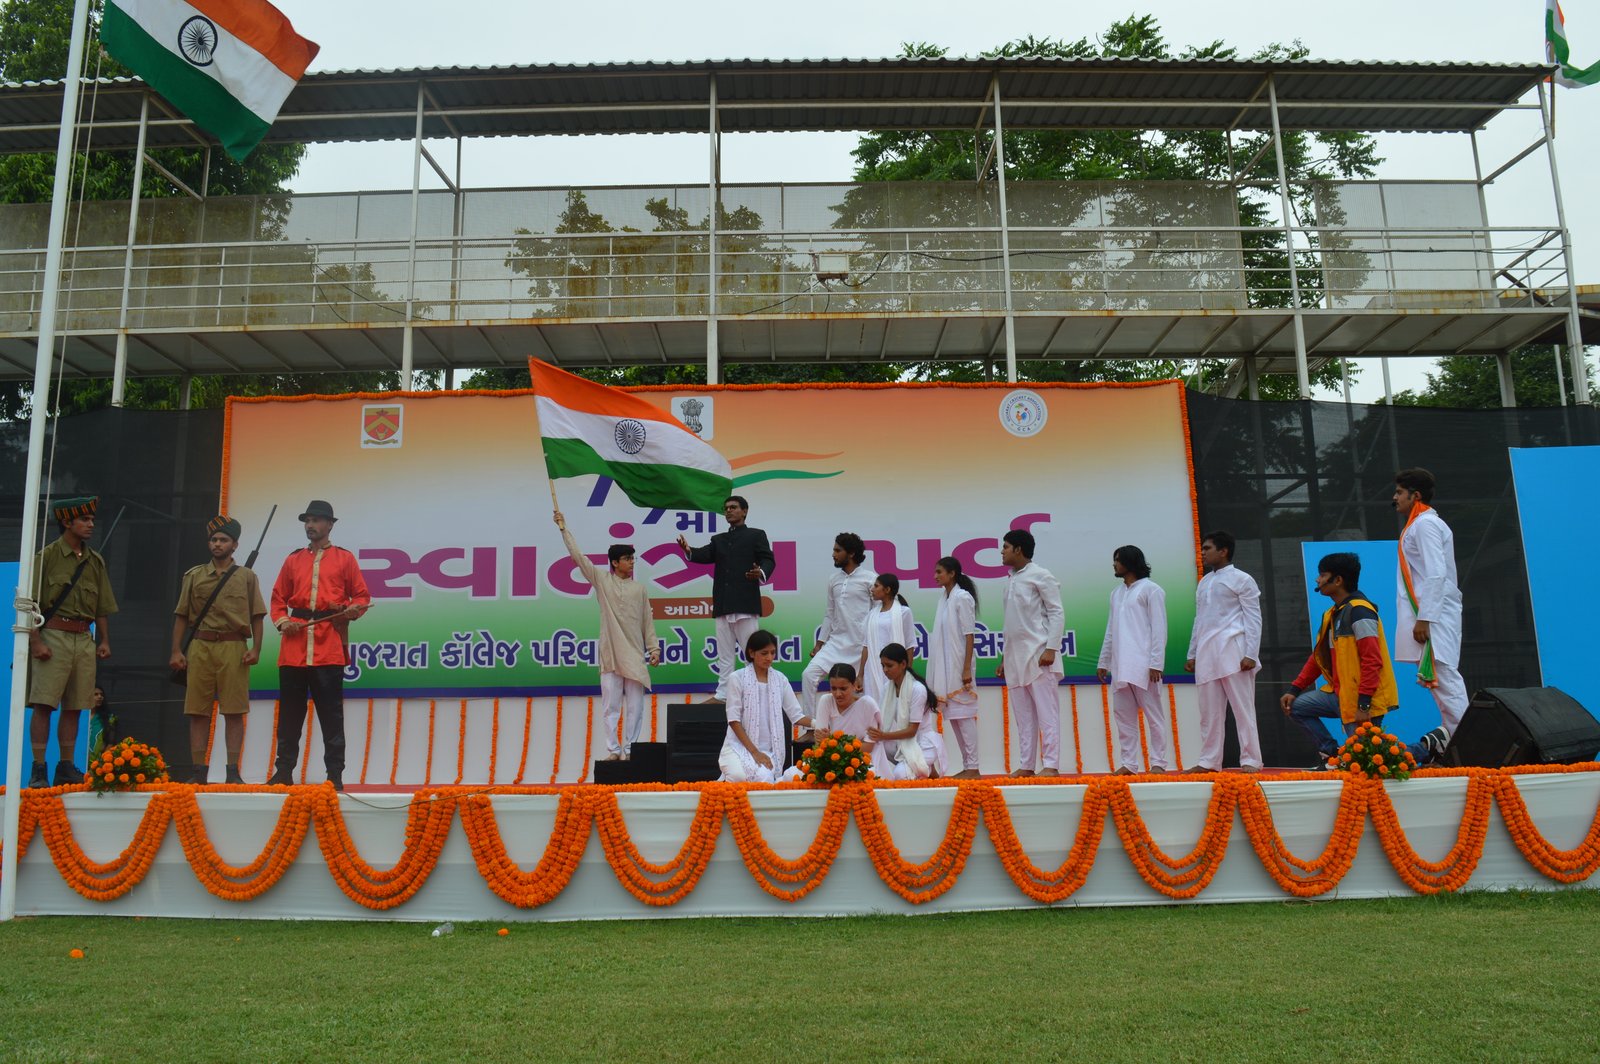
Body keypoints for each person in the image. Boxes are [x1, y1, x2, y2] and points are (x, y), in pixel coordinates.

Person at [269, 500, 370, 790]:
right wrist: (283, 622)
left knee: (331, 715)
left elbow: (362, 597)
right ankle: (283, 771)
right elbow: (278, 600)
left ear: (330, 525)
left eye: (316, 520)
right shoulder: (293, 560)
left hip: (329, 647)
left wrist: (352, 609)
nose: (310, 525)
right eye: (307, 520)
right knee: (290, 714)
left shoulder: (344, 558)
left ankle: (334, 775)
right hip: (294, 647)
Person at [169, 515, 268, 785]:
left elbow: (257, 616)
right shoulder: (194, 576)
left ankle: (232, 772)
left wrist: (257, 649)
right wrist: (176, 650)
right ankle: (198, 771)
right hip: (200, 646)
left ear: (234, 545)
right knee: (197, 711)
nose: (217, 544)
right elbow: (181, 615)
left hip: (233, 646)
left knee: (234, 711)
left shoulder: (247, 577)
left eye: (223, 540)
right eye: (213, 539)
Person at [26, 495, 117, 787]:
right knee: (44, 704)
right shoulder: (48, 556)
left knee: (76, 705)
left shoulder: (95, 560)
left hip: (83, 636)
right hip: (53, 634)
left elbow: (101, 606)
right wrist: (36, 642)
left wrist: (104, 640)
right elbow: (29, 604)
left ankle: (65, 765)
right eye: (84, 520)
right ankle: (39, 767)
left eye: (92, 520)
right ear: (67, 522)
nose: (91, 525)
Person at [556, 510, 661, 761]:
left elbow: (647, 622)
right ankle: (613, 750)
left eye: (633, 558)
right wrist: (563, 529)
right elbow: (578, 557)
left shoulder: (639, 589)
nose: (632, 562)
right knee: (610, 707)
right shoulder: (602, 581)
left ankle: (631, 750)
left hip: (634, 655)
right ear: (614, 563)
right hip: (611, 654)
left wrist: (654, 649)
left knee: (635, 707)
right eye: (627, 559)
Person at [1280, 552, 1401, 768]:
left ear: (1337, 580)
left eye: (1322, 575)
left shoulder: (1360, 611)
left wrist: (1363, 704)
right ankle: (1332, 755)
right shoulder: (1333, 613)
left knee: (1366, 765)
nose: (1317, 580)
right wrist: (1294, 689)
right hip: (1340, 696)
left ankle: (1425, 749)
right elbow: (1319, 658)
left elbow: (1372, 661)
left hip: (1362, 701)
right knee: (1297, 707)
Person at [1393, 468, 1466, 764]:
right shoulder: (1418, 524)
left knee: (1445, 679)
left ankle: (1473, 747)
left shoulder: (1425, 524)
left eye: (1399, 492)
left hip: (1434, 616)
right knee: (1440, 685)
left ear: (1416, 496)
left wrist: (1425, 618)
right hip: (1431, 612)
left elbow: (1436, 574)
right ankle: (1459, 747)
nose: (1395, 498)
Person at [678, 495, 775, 702]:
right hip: (723, 604)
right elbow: (705, 554)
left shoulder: (756, 535)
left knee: (753, 653)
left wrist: (761, 572)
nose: (729, 511)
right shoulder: (719, 540)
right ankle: (723, 694)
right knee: (725, 656)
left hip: (745, 603)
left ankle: (755, 691)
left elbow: (768, 559)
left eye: (733, 507)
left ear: (744, 511)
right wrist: (689, 550)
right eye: (726, 508)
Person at [1183, 531, 1263, 773]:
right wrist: (1192, 653)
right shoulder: (1204, 582)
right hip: (1207, 653)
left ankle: (1251, 760)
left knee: (1243, 709)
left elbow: (1253, 618)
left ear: (1223, 551)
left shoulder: (1242, 579)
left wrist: (1251, 653)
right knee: (1209, 713)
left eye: (1207, 548)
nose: (1203, 552)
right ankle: (1209, 762)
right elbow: (1199, 620)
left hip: (1234, 652)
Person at [1098, 545, 1174, 775]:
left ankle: (1158, 763)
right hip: (1120, 665)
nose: (1114, 564)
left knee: (1154, 716)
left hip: (1144, 665)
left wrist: (1156, 663)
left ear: (1130, 562)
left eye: (1118, 560)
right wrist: (1104, 661)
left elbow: (1159, 629)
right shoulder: (1116, 593)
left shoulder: (1152, 590)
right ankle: (1129, 764)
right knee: (1123, 717)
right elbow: (1110, 630)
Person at [996, 529, 1065, 777]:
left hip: (1039, 655)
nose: (1002, 551)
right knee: (1023, 717)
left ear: (1018, 549)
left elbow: (1057, 612)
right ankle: (1026, 765)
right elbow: (1011, 624)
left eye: (1005, 547)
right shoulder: (1011, 580)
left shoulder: (1041, 575)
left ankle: (1051, 765)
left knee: (1047, 714)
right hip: (1015, 658)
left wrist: (1051, 648)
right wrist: (1004, 658)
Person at [717, 629, 814, 783]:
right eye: (764, 653)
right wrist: (754, 752)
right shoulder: (737, 677)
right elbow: (734, 720)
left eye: (772, 653)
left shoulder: (780, 679)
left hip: (769, 751)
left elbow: (796, 716)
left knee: (764, 778)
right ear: (751, 653)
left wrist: (818, 723)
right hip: (737, 747)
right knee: (738, 777)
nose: (769, 658)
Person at [800, 533, 877, 719]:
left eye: (837, 550)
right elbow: (830, 613)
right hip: (836, 643)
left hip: (862, 646)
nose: (833, 554)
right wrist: (819, 643)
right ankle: (812, 725)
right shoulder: (833, 579)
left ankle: (866, 731)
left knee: (863, 692)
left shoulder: (870, 579)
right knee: (808, 675)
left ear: (851, 553)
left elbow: (877, 614)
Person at [929, 556, 981, 778]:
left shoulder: (962, 597)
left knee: (965, 717)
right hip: (946, 668)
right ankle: (968, 766)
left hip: (959, 666)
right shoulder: (945, 599)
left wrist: (966, 668)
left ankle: (973, 767)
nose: (935, 576)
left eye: (939, 572)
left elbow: (969, 635)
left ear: (952, 574)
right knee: (956, 718)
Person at [868, 643, 945, 780]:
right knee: (877, 745)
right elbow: (879, 721)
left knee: (899, 775)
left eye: (889, 665)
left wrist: (883, 735)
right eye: (883, 666)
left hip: (924, 743)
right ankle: (924, 768)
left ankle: (924, 766)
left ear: (903, 664)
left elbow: (912, 731)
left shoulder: (917, 689)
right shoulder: (887, 687)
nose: (885, 670)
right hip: (903, 742)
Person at [858, 573, 915, 708]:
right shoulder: (872, 614)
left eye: (876, 586)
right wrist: (860, 675)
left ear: (887, 590)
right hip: (873, 670)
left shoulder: (904, 612)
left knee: (896, 707)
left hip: (894, 669)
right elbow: (866, 646)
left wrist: (907, 673)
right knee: (874, 708)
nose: (872, 589)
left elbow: (910, 645)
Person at [810, 663, 882, 750]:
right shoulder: (826, 701)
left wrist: (831, 741)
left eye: (843, 689)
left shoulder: (867, 704)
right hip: (834, 755)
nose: (838, 694)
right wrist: (830, 743)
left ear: (854, 685)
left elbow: (868, 747)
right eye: (834, 688)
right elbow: (819, 742)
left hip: (868, 756)